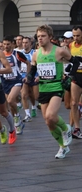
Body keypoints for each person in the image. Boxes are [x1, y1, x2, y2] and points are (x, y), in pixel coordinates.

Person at [25, 24, 77, 158]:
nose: (40, 39)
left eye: (43, 36)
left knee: (51, 116)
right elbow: (34, 69)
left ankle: (66, 129)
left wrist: (69, 76)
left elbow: (75, 63)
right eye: (38, 36)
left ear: (50, 37)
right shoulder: (36, 54)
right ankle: (62, 147)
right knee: (48, 122)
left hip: (57, 87)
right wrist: (30, 77)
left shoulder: (60, 51)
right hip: (43, 88)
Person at [1, 36, 30, 135]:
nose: (6, 46)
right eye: (4, 44)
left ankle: (17, 118)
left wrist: (27, 76)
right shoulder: (0, 55)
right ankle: (19, 122)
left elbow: (28, 63)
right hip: (5, 82)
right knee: (10, 105)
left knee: (10, 100)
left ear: (13, 44)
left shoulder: (17, 54)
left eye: (8, 44)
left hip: (16, 80)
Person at [68, 26, 82, 138]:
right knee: (73, 103)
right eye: (74, 35)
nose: (75, 38)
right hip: (76, 77)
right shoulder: (71, 45)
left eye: (78, 35)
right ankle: (77, 129)